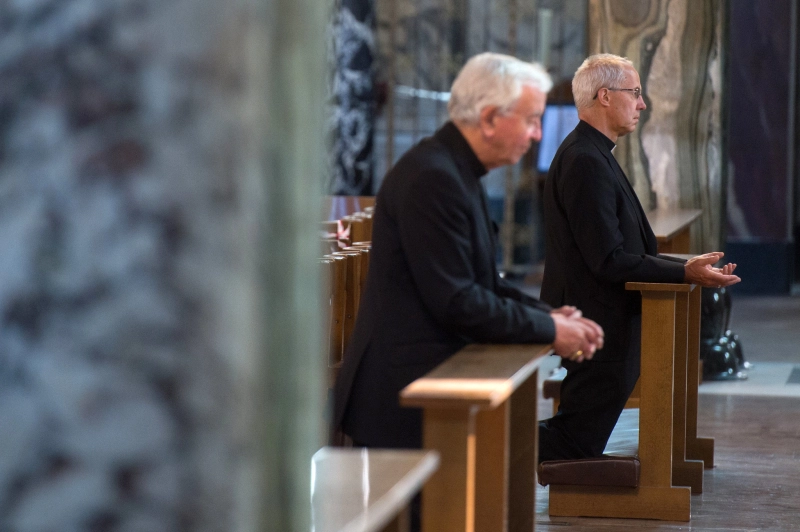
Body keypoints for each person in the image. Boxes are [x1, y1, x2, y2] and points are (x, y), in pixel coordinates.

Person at [332, 52, 605, 453]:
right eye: (531, 121)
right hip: (405, 394)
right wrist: (550, 331)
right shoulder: (434, 177)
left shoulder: (457, 170)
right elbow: (457, 300)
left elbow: (480, 282)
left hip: (431, 383)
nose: (537, 136)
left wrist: (546, 316)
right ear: (491, 118)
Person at [538, 53, 740, 462]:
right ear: (605, 96)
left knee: (579, 437)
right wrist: (684, 273)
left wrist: (686, 270)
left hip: (606, 315)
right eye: (635, 93)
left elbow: (622, 251)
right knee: (574, 441)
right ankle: (474, 452)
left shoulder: (596, 153)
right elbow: (608, 260)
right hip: (597, 320)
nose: (642, 104)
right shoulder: (584, 160)